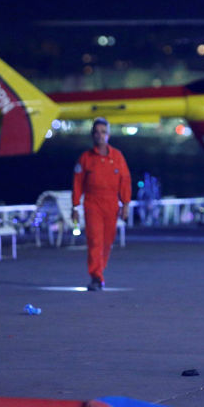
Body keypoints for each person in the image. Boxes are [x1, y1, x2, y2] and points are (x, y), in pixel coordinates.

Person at [72, 117, 131, 291]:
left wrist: (125, 204)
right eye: (97, 132)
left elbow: (125, 180)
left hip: (111, 204)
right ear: (92, 135)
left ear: (108, 135)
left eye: (103, 132)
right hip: (93, 203)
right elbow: (77, 183)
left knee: (106, 242)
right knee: (95, 240)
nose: (100, 135)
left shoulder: (117, 157)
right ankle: (96, 276)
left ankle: (99, 272)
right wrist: (75, 206)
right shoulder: (85, 158)